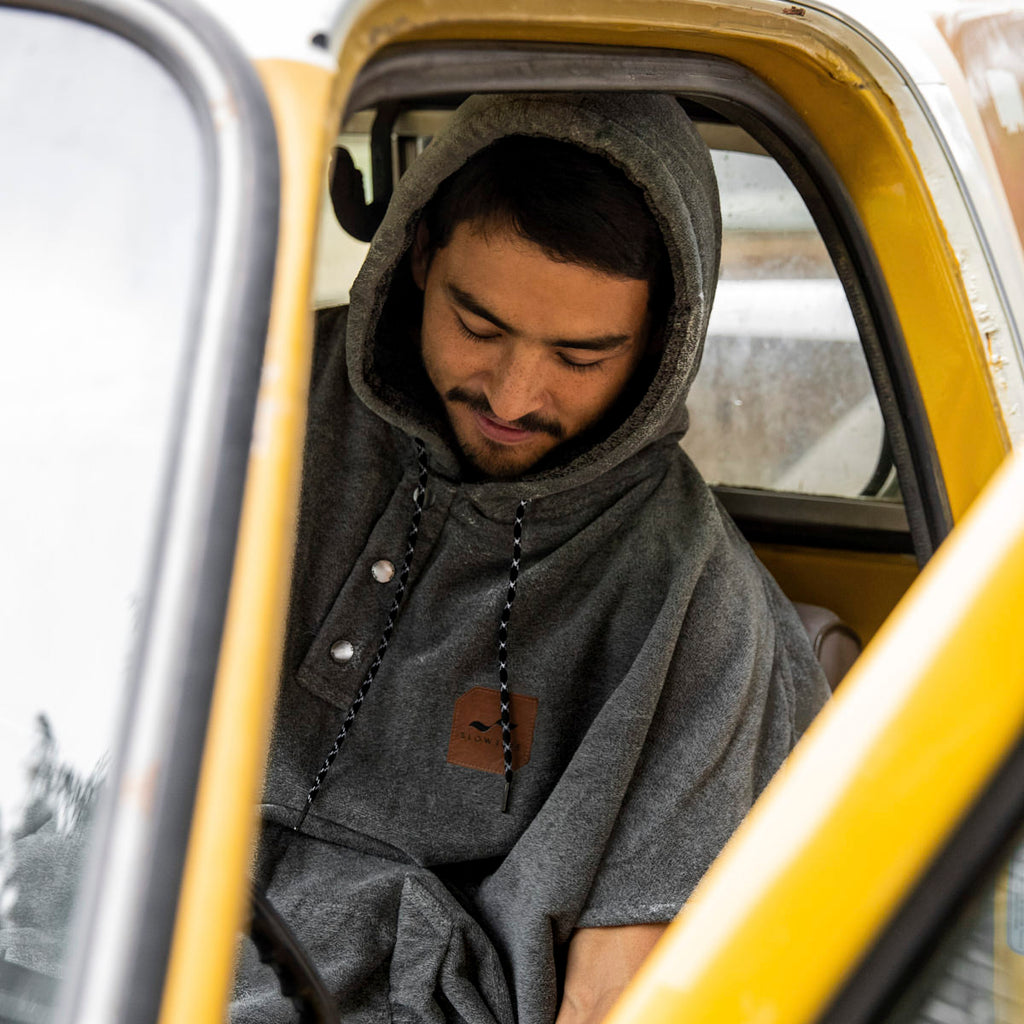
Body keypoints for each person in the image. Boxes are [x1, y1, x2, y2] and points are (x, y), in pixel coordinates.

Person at [232, 92, 830, 1024]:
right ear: (419, 253)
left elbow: (620, 996)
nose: (514, 396)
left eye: (580, 358)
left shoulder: (697, 604)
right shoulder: (249, 398)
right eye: (479, 327)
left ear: (662, 339)